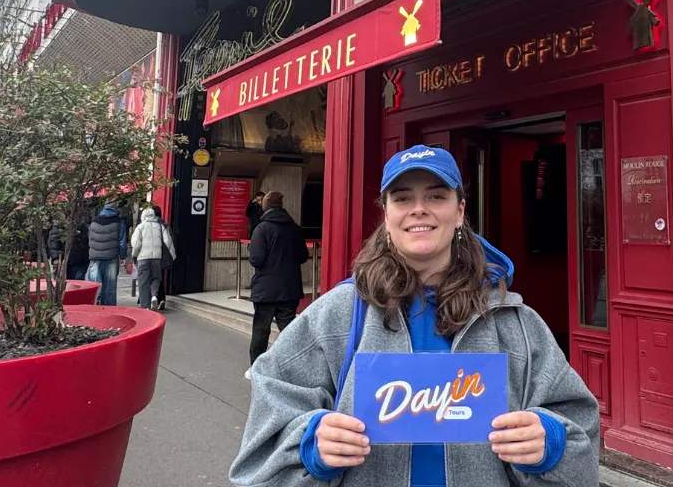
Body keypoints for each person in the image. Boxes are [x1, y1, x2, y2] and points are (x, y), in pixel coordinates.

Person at [228, 145, 599, 486]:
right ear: (387, 215)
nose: (419, 208)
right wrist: (310, 444)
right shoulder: (337, 314)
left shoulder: (512, 320)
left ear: (460, 212)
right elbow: (268, 421)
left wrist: (549, 440)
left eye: (436, 196)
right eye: (403, 197)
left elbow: (578, 423)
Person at [245, 191, 309, 379]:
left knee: (261, 330)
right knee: (289, 330)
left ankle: (256, 368)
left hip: (266, 289)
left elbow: (256, 259)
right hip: (289, 288)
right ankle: (298, 369)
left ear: (266, 206)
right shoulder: (294, 228)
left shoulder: (262, 229)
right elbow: (303, 256)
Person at [131, 206, 175, 311]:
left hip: (143, 258)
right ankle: (154, 296)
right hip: (156, 258)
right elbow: (168, 242)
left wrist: (134, 255)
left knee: (143, 282)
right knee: (156, 278)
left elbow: (136, 244)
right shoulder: (160, 226)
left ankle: (145, 305)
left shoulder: (140, 227)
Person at [87, 200, 123, 306]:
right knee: (109, 289)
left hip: (95, 257)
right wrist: (123, 256)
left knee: (95, 287)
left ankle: (94, 308)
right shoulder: (119, 222)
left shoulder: (94, 221)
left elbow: (90, 238)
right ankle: (108, 310)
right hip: (111, 257)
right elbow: (122, 241)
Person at [48, 215, 89, 281]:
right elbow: (54, 241)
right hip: (65, 262)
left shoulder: (84, 224)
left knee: (79, 282)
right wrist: (55, 257)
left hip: (81, 261)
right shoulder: (60, 224)